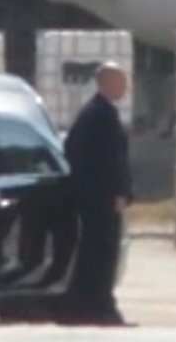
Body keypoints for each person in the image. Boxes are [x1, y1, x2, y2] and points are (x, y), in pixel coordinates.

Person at [61, 62, 134, 326]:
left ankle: (91, 304)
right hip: (101, 198)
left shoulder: (99, 112)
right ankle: (99, 306)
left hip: (95, 196)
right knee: (102, 252)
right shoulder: (99, 115)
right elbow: (109, 160)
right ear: (106, 83)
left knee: (97, 251)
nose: (125, 87)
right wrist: (117, 191)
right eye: (121, 81)